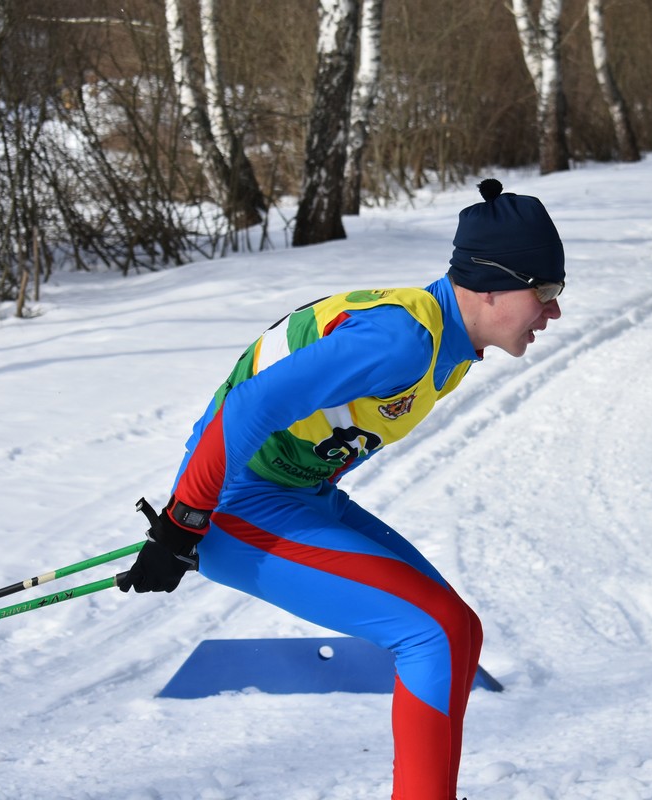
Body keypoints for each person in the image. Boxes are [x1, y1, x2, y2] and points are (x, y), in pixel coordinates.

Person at [119, 179, 565, 800]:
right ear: (492, 285)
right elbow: (245, 408)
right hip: (236, 499)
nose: (554, 310)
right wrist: (183, 521)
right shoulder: (403, 341)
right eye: (544, 290)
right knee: (430, 632)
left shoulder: (454, 344)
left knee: (457, 631)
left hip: (295, 493)